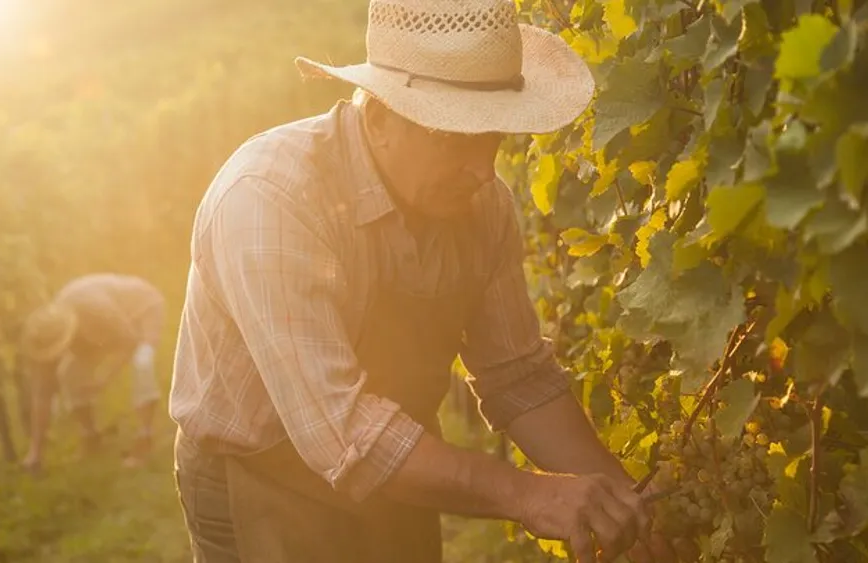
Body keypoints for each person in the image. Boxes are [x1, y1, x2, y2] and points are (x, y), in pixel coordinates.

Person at [169, 0, 690, 561]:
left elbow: (518, 375)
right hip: (259, 475)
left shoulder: (482, 206)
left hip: (403, 463)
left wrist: (621, 504)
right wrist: (528, 495)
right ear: (378, 121)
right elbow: (345, 434)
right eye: (454, 137)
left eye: (492, 137)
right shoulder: (271, 199)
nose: (482, 168)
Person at [19, 272, 165, 472]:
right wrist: (35, 452)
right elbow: (42, 394)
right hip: (98, 330)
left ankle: (144, 436)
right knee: (68, 373)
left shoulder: (95, 310)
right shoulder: (49, 331)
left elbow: (130, 341)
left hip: (142, 308)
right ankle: (90, 435)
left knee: (142, 362)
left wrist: (103, 379)